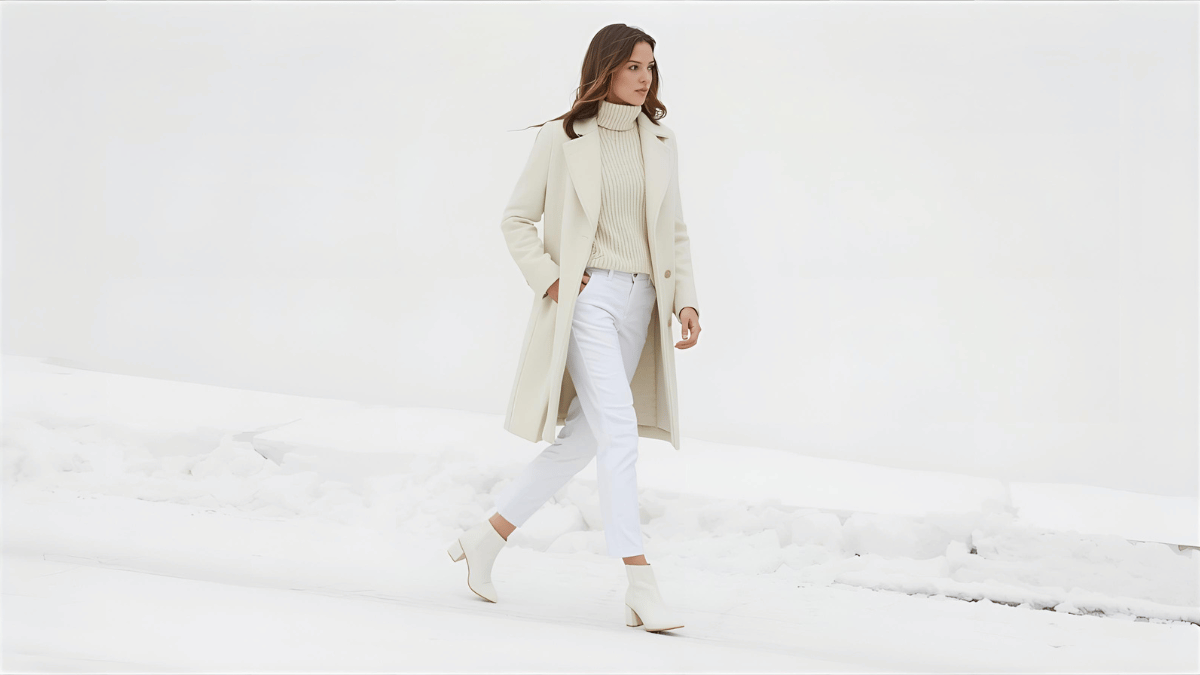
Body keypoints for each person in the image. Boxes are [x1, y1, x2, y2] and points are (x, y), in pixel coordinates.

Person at [447, 24, 701, 633]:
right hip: (588, 300)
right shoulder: (563, 139)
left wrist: (685, 299)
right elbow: (516, 219)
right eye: (634, 66)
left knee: (585, 439)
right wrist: (554, 281)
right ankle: (640, 580)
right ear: (605, 68)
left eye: (650, 68)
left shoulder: (661, 140)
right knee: (620, 433)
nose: (645, 77)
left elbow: (675, 231)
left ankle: (487, 538)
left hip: (642, 304)